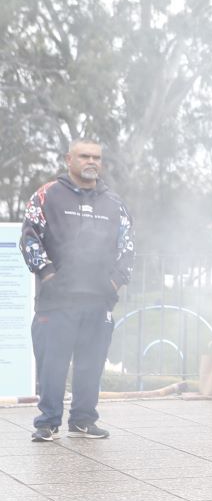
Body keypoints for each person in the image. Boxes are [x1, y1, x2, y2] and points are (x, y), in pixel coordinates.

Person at [20, 138, 134, 442]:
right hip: (56, 302)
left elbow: (128, 248)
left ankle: (83, 420)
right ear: (68, 159)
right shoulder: (46, 196)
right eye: (84, 156)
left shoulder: (115, 203)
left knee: (91, 365)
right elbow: (30, 237)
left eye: (96, 157)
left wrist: (114, 282)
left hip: (98, 301)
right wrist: (46, 275)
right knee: (52, 365)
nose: (91, 162)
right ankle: (47, 423)